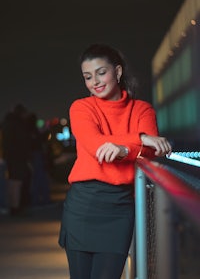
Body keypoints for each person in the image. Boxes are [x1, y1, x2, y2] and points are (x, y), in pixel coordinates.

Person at [58, 43, 172, 279]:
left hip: (120, 207)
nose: (95, 82)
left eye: (101, 72)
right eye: (88, 77)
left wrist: (122, 148)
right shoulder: (81, 107)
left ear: (117, 72)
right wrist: (141, 139)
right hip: (83, 204)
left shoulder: (142, 109)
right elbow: (95, 145)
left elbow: (151, 152)